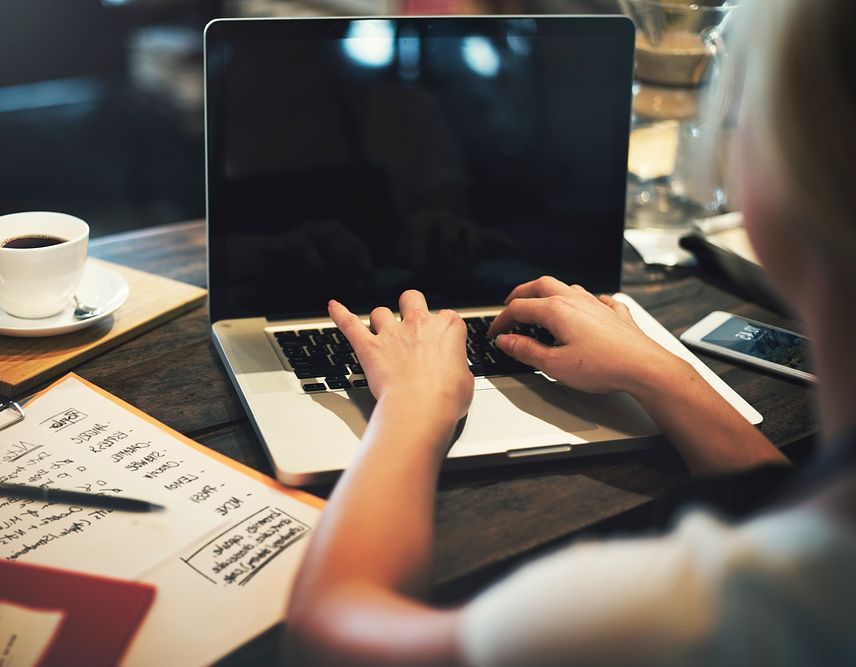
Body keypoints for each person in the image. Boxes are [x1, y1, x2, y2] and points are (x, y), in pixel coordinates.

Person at [284, 0, 856, 665]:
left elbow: (329, 634)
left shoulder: (679, 610)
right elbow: (784, 505)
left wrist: (413, 405)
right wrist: (660, 371)